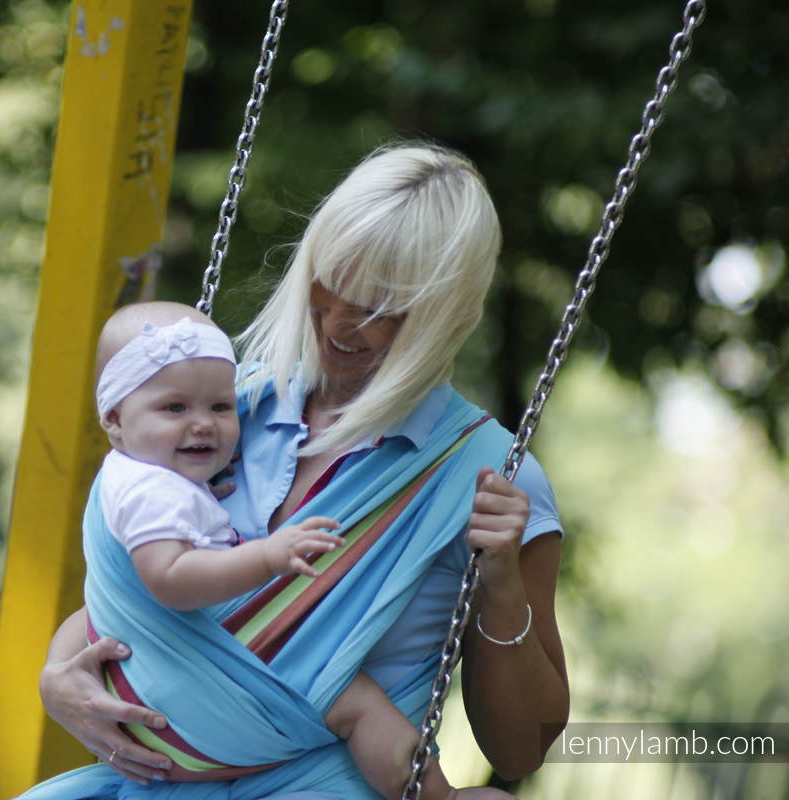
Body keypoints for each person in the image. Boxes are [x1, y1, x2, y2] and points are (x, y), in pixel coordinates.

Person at [35, 142, 570, 798]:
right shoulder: (229, 409)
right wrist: (59, 676)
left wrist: (503, 585)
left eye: (383, 307)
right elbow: (157, 585)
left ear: (445, 313)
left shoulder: (491, 477)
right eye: (331, 282)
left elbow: (522, 747)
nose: (343, 321)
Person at [62, 300, 502, 799]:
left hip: (156, 702)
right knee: (351, 702)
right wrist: (268, 556)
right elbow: (170, 581)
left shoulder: (147, 480)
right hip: (176, 703)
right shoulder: (151, 494)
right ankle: (436, 795)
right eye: (175, 408)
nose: (203, 424)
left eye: (220, 407)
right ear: (115, 420)